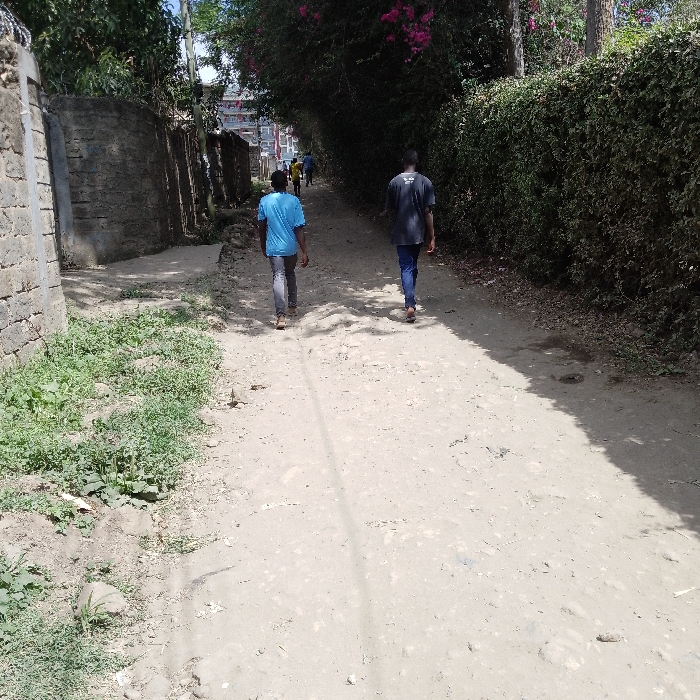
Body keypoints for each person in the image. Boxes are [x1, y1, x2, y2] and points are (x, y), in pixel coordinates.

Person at [383, 149, 436, 323]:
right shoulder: (425, 182)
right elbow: (428, 212)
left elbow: (390, 209)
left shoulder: (394, 182)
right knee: (412, 265)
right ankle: (410, 300)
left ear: (403, 161)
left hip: (401, 232)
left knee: (407, 267)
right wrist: (432, 236)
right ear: (417, 161)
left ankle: (410, 304)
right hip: (418, 232)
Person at [258, 170, 310, 329]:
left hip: (274, 248)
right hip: (290, 247)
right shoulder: (294, 201)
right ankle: (292, 306)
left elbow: (261, 227)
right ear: (287, 183)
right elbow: (299, 228)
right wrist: (304, 251)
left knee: (278, 277)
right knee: (290, 273)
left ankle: (281, 316)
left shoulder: (265, 201)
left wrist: (263, 245)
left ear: (272, 184)